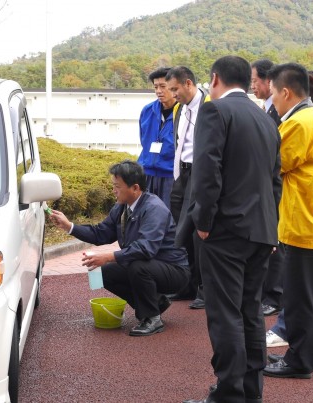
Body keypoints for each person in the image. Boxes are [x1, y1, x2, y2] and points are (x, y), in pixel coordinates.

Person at [182, 55, 282, 403]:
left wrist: (204, 222)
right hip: (261, 231)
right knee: (250, 312)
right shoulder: (266, 118)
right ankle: (250, 392)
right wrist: (271, 228)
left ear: (214, 79)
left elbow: (207, 171)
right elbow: (275, 180)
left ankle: (228, 394)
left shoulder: (215, 111)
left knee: (224, 314)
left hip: (225, 230)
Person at [263, 63, 313, 379]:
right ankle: (307, 358)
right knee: (312, 299)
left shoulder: (298, 123)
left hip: (305, 225)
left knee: (298, 300)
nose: (272, 101)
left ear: (285, 92)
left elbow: (273, 165)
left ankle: (298, 360)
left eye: (272, 93)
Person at [49, 160, 189, 337]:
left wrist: (108, 256)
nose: (114, 190)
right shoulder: (122, 207)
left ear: (135, 188)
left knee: (137, 266)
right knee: (104, 273)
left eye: (117, 186)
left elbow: (145, 249)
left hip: (174, 271)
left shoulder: (154, 208)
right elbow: (101, 233)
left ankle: (152, 318)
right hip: (150, 265)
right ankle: (156, 303)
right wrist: (69, 226)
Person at [165, 65, 210, 309]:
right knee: (180, 231)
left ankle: (204, 288)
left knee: (198, 233)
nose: (173, 94)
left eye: (175, 89)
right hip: (180, 173)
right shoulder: (179, 109)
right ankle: (188, 284)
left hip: (199, 173)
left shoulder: (210, 105)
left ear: (189, 83)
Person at [251, 58, 285, 318]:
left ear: (268, 82)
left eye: (255, 81)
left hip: (279, 188)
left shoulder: (281, 113)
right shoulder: (265, 110)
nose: (253, 86)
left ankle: (274, 295)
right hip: (267, 186)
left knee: (277, 244)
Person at [137, 67, 177, 206]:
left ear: (173, 87)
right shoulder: (147, 110)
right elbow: (143, 140)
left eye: (162, 86)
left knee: (169, 219)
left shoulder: (184, 112)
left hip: (171, 176)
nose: (158, 91)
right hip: (146, 174)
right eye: (155, 87)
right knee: (146, 217)